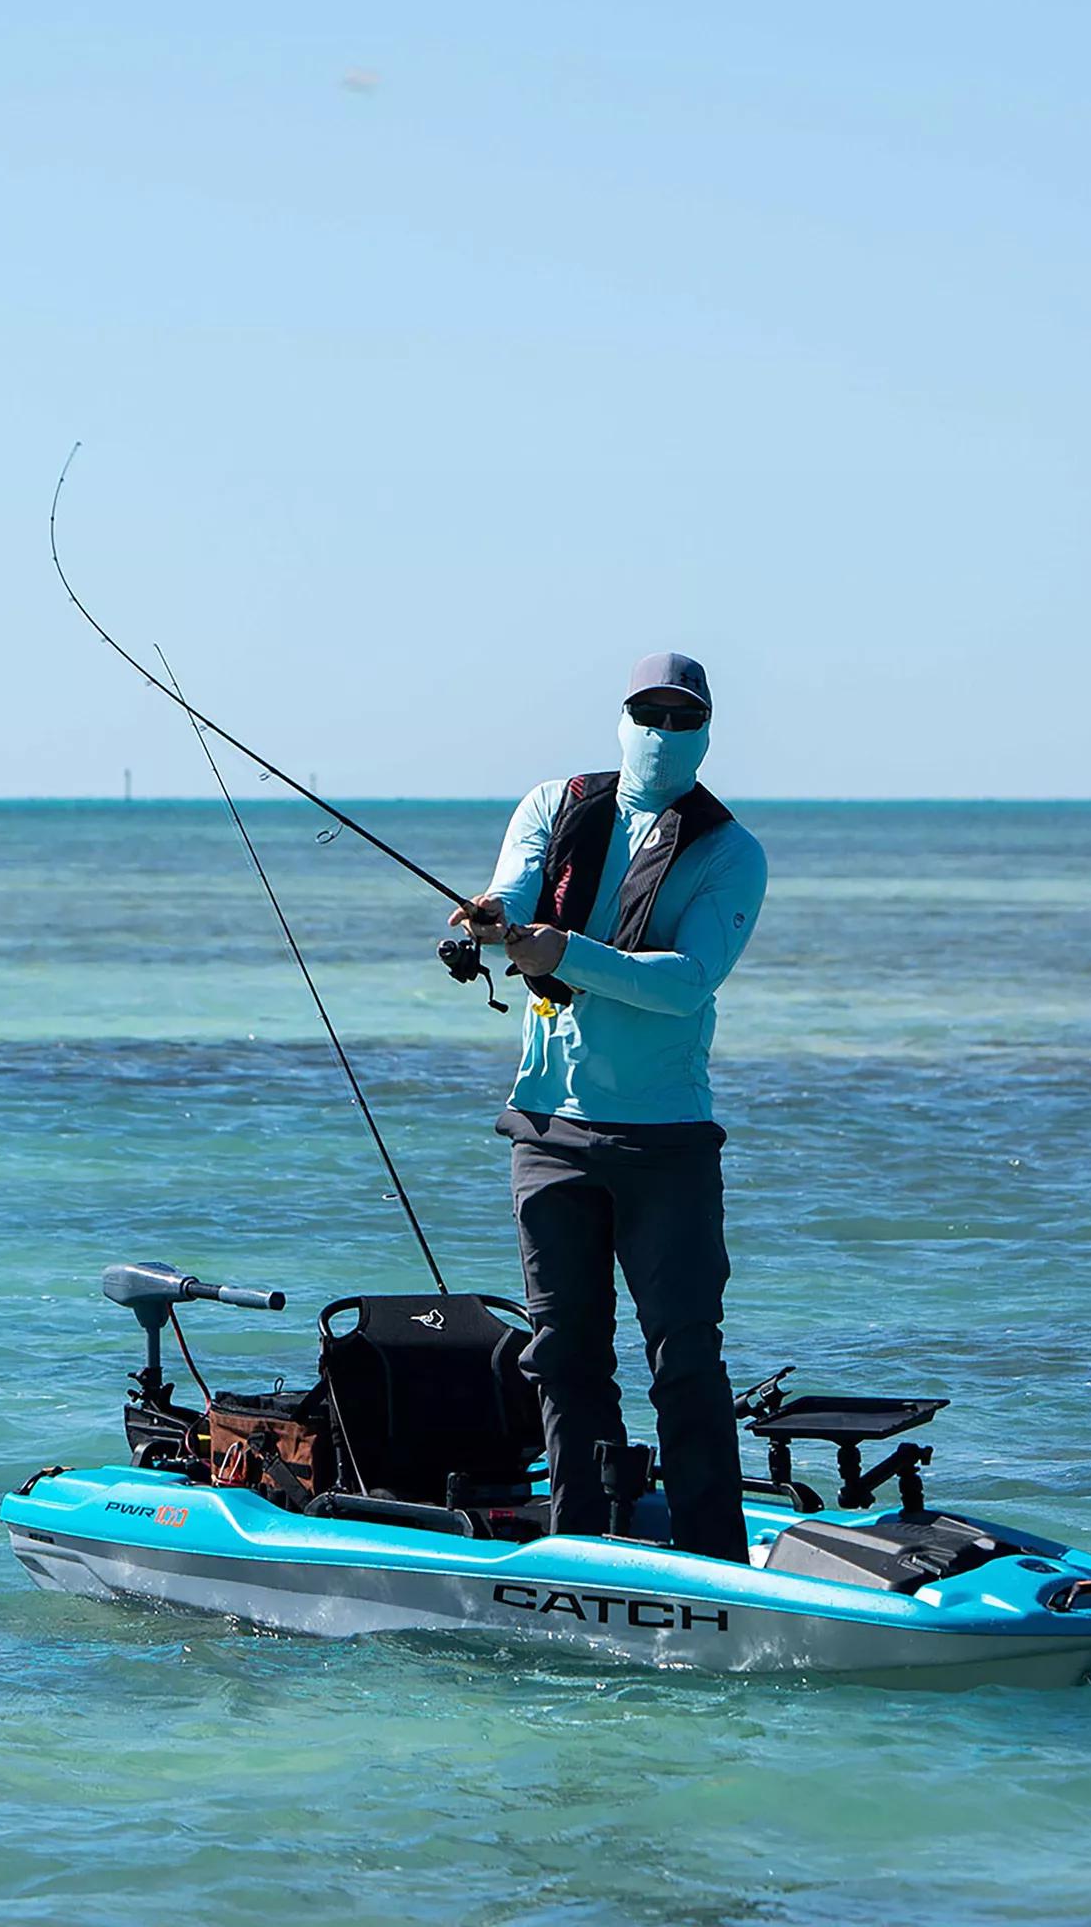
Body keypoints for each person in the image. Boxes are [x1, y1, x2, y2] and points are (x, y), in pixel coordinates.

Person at [449, 652, 767, 1562]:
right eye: (649, 714)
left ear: (706, 733)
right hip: (548, 1129)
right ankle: (580, 1542)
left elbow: (688, 982)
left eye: (682, 720)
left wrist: (567, 956)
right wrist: (481, 921)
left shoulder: (729, 852)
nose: (663, 735)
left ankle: (715, 1555)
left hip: (665, 1139)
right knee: (563, 1352)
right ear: (622, 718)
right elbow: (512, 892)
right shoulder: (555, 804)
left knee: (686, 1360)